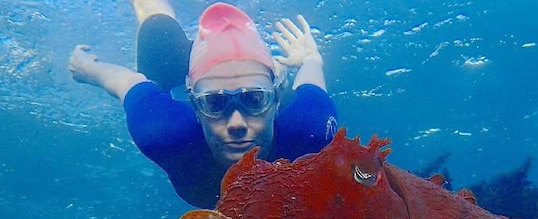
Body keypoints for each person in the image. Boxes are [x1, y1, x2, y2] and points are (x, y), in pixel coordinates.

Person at [69, 1, 338, 208]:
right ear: (195, 108)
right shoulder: (163, 130)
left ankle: (256, 78)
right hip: (187, 67)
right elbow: (127, 83)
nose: (236, 123)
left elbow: (313, 77)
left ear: (277, 100)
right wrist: (88, 70)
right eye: (215, 103)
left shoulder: (309, 128)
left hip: (229, 77)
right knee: (154, 19)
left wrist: (310, 57)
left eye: (254, 100)